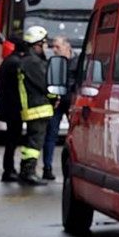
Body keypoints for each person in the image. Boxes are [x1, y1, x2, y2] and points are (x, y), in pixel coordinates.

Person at [12, 26, 56, 185]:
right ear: (37, 44)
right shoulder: (33, 62)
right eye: (44, 43)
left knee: (31, 143)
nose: (46, 47)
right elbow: (45, 84)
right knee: (35, 143)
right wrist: (55, 95)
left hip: (33, 108)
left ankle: (26, 170)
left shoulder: (28, 61)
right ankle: (29, 172)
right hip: (38, 108)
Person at [39, 36, 74, 181]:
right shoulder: (52, 63)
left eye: (57, 47)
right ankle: (47, 168)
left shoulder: (77, 62)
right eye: (53, 47)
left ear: (67, 48)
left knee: (76, 136)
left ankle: (74, 168)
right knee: (51, 135)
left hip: (71, 102)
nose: (54, 50)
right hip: (56, 103)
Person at [0, 38, 26, 183]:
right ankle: (9, 170)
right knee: (12, 141)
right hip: (14, 109)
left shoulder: (8, 61)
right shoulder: (16, 63)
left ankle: (9, 169)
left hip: (8, 107)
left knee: (11, 140)